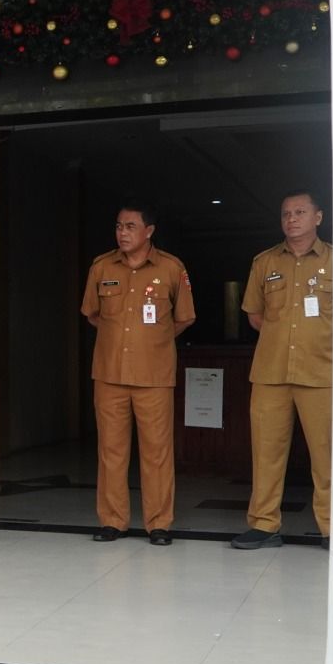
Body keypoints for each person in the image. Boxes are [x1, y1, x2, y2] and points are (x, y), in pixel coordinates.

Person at [80, 202, 195, 545]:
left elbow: (184, 317)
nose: (122, 233)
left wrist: (154, 339)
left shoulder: (171, 268)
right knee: (111, 451)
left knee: (156, 452)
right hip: (109, 374)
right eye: (118, 226)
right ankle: (113, 521)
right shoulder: (101, 266)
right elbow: (92, 314)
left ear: (149, 231)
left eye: (130, 226)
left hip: (154, 376)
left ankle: (158, 523)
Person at [232, 190, 333, 550]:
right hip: (271, 372)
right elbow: (255, 316)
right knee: (266, 452)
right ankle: (263, 524)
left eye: (300, 212)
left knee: (327, 455)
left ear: (318, 217)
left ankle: (332, 527)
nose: (291, 219)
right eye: (286, 213)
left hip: (321, 373)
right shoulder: (265, 262)